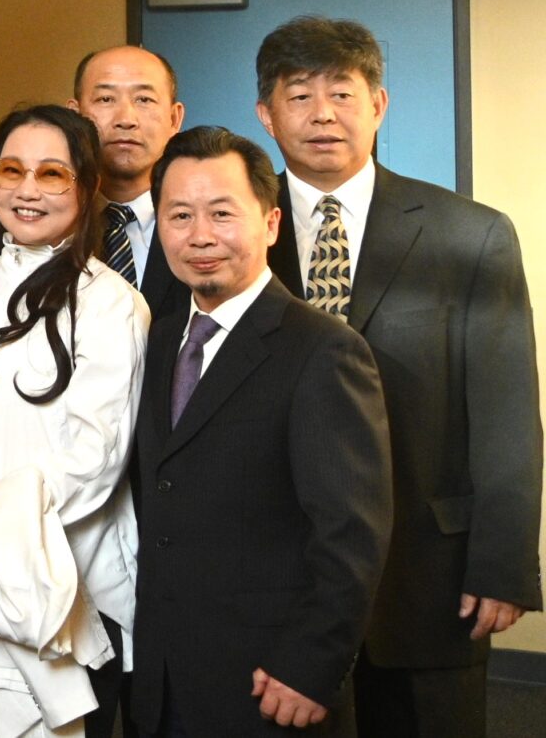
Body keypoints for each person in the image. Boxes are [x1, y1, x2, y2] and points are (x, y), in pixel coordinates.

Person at [248, 15, 541, 736]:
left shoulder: (470, 234)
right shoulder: (232, 231)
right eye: (299, 95)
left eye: (342, 93)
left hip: (427, 573)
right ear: (266, 114)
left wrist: (502, 564)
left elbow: (506, 413)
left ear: (378, 105)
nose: (322, 114)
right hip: (276, 569)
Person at [133, 126, 391, 736]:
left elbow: (352, 534)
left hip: (269, 679)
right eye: (179, 215)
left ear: (271, 224)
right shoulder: (158, 338)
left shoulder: (323, 351)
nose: (200, 236)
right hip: (163, 672)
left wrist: (312, 665)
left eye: (222, 213)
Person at [0, 106, 148, 738]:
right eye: (12, 170)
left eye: (52, 173)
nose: (27, 190)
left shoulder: (111, 304)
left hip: (64, 584)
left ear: (87, 186)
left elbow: (95, 460)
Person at [0, 46, 191, 325]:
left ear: (174, 118)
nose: (125, 120)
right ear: (76, 114)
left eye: (144, 99)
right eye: (106, 99)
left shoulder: (200, 223)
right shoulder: (23, 216)